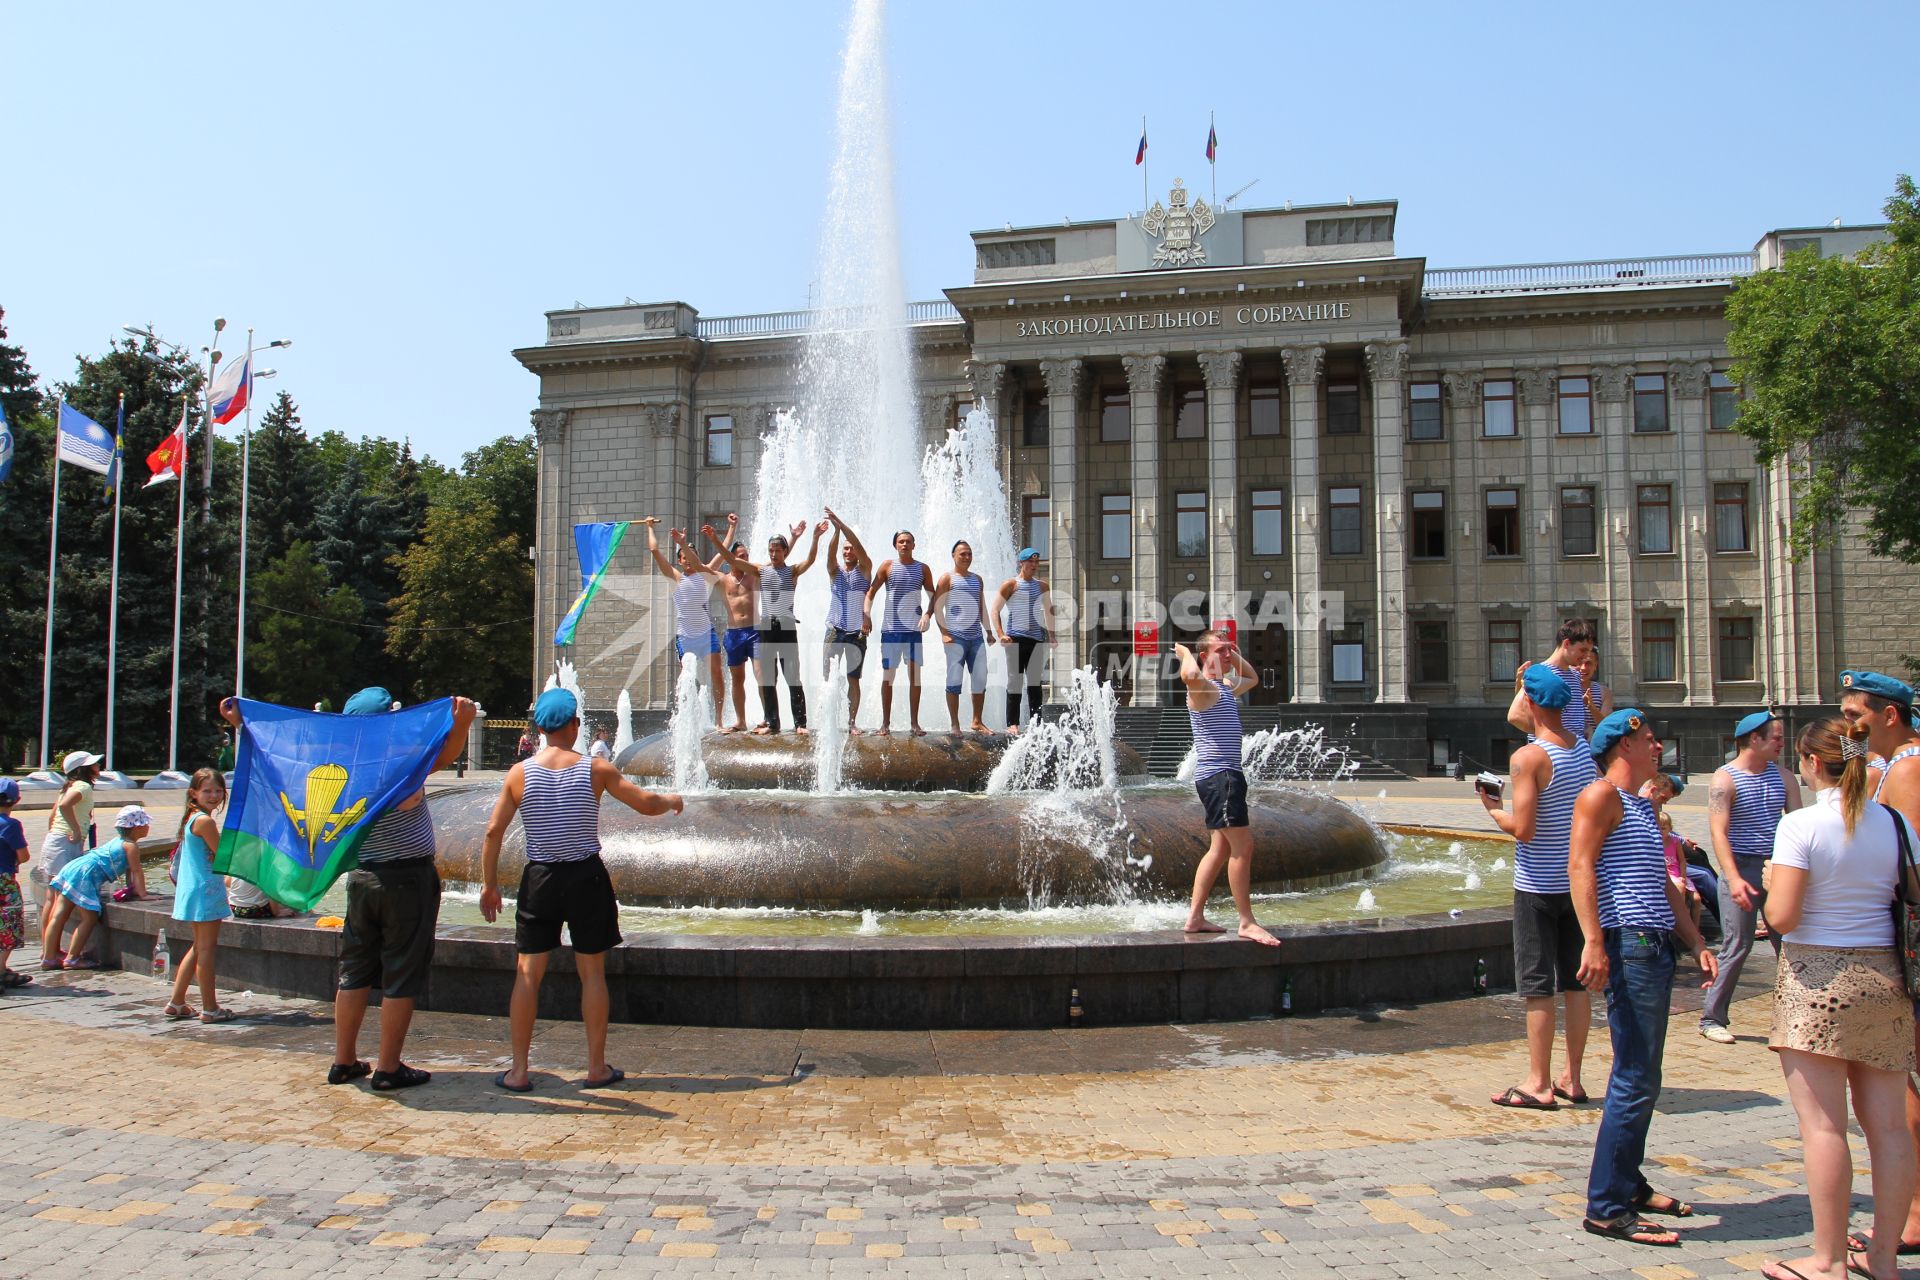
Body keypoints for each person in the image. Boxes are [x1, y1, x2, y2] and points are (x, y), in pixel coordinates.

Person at [1760, 717, 1919, 1280]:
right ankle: (1883, 1259)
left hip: (1816, 979)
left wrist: (1771, 881)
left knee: (1824, 1128)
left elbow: (1782, 916)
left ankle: (1826, 1261)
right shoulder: (1898, 825)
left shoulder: (1800, 825)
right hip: (1887, 978)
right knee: (1891, 1129)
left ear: (1808, 763)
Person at [479, 687, 684, 1092]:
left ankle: (519, 1071)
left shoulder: (520, 773)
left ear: (539, 728)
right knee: (591, 972)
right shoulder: (595, 768)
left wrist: (489, 886)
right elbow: (644, 803)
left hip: (540, 878)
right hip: (586, 876)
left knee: (527, 973)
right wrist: (672, 800)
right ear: (575, 725)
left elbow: (492, 832)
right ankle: (595, 1067)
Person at [1570, 709, 1717, 1247]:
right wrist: (1592, 941)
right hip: (1627, 943)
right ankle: (1605, 1206)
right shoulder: (1600, 796)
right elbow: (1579, 867)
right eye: (1649, 741)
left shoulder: (1642, 807)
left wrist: (1697, 941)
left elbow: (1665, 885)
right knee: (1634, 1076)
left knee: (1644, 1075)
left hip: (1653, 945)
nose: (1657, 747)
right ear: (1623, 747)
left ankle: (1628, 1185)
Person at [1481, 663, 1597, 1110]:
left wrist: (1493, 811)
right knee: (1576, 984)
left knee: (1536, 985)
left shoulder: (1528, 759)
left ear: (1530, 702)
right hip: (1577, 885)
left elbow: (1524, 828)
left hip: (1536, 886)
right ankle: (1574, 1078)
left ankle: (1539, 1083)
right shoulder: (1582, 750)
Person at [1836, 669, 1920, 1256]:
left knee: (1908, 1081)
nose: (1848, 727)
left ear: (1889, 715)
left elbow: (1909, 867)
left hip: (1911, 940)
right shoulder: (1888, 766)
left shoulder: (1911, 769)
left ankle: (1914, 1216)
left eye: (1856, 715)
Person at [1700, 710, 1803, 1044]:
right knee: (1737, 944)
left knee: (1788, 943)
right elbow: (1719, 833)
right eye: (1776, 738)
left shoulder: (1784, 776)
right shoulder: (1725, 779)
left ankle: (1797, 1015)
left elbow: (1798, 826)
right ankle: (1711, 1018)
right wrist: (1733, 878)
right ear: (1754, 740)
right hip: (1740, 868)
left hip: (1778, 867)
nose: (1781, 744)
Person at [1175, 630, 1280, 947]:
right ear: (1205, 655)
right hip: (1220, 778)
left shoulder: (1224, 687)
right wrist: (1185, 652)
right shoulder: (1203, 688)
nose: (1227, 655)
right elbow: (1190, 673)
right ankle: (1247, 922)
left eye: (1229, 650)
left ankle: (1195, 918)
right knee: (1243, 847)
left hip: (1226, 777)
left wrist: (1230, 652)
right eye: (1220, 651)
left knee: (1220, 849)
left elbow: (1252, 677)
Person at [710, 515, 824, 735]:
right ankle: (773, 723)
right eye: (770, 550)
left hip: (787, 627)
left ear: (784, 551)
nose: (773, 554)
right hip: (766, 628)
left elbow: (810, 560)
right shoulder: (761, 571)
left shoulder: (792, 570)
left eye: (777, 550)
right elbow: (732, 561)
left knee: (792, 676)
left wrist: (815, 538)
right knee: (768, 678)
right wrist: (715, 539)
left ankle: (800, 723)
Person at [164, 768, 235, 1023]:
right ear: (194, 793)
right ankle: (210, 1008)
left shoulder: (192, 818)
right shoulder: (205, 821)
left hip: (194, 889)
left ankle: (177, 1002)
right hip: (206, 890)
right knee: (206, 950)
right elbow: (223, 855)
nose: (214, 795)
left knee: (197, 947)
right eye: (207, 791)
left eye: (218, 790)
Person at [641, 517, 726, 728]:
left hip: (706, 635)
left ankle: (719, 720)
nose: (688, 560)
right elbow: (654, 551)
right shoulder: (676, 577)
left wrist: (731, 528)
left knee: (716, 674)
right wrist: (650, 528)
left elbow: (724, 553)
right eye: (684, 557)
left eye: (692, 556)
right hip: (686, 637)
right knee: (687, 679)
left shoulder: (705, 573)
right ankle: (688, 720)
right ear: (680, 560)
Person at [44, 805, 152, 968]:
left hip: (73, 868)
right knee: (90, 917)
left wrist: (132, 889)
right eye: (146, 823)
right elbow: (137, 870)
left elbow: (130, 872)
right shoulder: (131, 846)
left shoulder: (120, 841)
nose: (148, 826)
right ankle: (72, 958)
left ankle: (48, 957)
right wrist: (143, 895)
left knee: (59, 915)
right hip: (85, 875)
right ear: (136, 827)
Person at [862, 530, 935, 737]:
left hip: (913, 631)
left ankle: (915, 723)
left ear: (914, 545)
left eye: (908, 542)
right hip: (891, 631)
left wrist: (928, 615)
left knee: (915, 678)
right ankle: (885, 724)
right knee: (888, 677)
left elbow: (933, 595)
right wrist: (866, 615)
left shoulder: (923, 569)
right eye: (901, 541)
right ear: (895, 545)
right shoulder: (887, 566)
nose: (904, 544)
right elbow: (871, 592)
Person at [36, 749, 102, 968]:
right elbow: (63, 808)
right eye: (94, 764)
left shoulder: (68, 787)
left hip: (56, 843)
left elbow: (53, 813)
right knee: (59, 901)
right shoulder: (82, 786)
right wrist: (75, 830)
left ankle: (49, 949)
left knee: (51, 899)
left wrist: (55, 834)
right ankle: (49, 955)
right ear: (84, 769)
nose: (98, 766)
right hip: (65, 845)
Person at [933, 540, 994, 734]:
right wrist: (944, 633)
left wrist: (989, 631)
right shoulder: (947, 579)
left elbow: (981, 606)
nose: (967, 557)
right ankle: (955, 724)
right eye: (962, 554)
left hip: (976, 637)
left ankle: (977, 721)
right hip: (955, 638)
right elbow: (937, 607)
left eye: (969, 554)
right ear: (954, 556)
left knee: (980, 677)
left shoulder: (978, 579)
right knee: (954, 680)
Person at [990, 548, 1053, 736]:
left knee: (1035, 684)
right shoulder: (1011, 585)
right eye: (1030, 562)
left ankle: (1037, 724)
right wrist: (1001, 634)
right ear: (1021, 563)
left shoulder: (1042, 586)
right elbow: (995, 610)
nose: (1034, 565)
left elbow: (1049, 612)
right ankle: (1013, 723)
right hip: (1015, 639)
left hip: (1035, 640)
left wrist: (1053, 635)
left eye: (1036, 562)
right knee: (1015, 681)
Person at [822, 507, 873, 730]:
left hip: (857, 632)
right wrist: (836, 532)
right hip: (834, 629)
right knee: (828, 677)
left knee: (853, 679)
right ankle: (829, 722)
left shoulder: (865, 570)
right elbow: (830, 555)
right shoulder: (835, 571)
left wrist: (842, 525)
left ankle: (852, 722)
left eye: (850, 548)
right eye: (845, 549)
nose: (848, 551)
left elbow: (859, 546)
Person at [1506, 619, 1597, 742]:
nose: (1586, 656)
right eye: (1583, 650)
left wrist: (1587, 729)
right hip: (1551, 755)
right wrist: (1552, 736)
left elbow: (1571, 718)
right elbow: (1515, 717)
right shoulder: (1540, 674)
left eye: (1589, 651)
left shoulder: (1575, 675)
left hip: (1575, 752)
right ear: (1566, 644)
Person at [0, 778, 30, 993]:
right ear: (16, 800)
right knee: (8, 925)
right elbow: (24, 855)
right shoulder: (10, 825)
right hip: (4, 882)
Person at [1580, 652, 1614, 725]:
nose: (1583, 668)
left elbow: (1606, 726)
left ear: (1595, 666)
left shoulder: (1604, 692)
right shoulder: (1563, 690)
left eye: (1588, 663)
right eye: (1580, 662)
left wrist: (1591, 707)